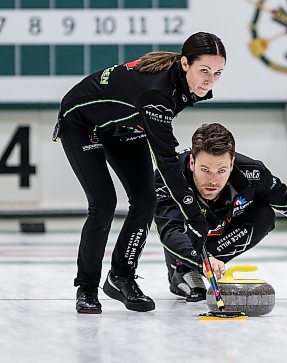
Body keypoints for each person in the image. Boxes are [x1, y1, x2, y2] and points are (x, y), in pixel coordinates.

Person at [53, 32, 226, 314]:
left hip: (124, 124)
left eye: (218, 73)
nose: (210, 80)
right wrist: (194, 215)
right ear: (185, 64)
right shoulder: (157, 94)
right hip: (81, 122)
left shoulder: (183, 85)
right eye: (204, 71)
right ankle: (86, 287)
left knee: (146, 201)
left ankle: (121, 276)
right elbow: (168, 164)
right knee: (104, 204)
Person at [154, 123, 287, 302]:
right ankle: (184, 269)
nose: (213, 181)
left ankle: (205, 264)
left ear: (232, 163)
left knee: (264, 215)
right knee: (182, 232)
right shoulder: (168, 177)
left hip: (217, 237)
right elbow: (170, 231)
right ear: (192, 162)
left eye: (221, 171)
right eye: (205, 170)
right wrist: (200, 258)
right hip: (186, 242)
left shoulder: (252, 173)